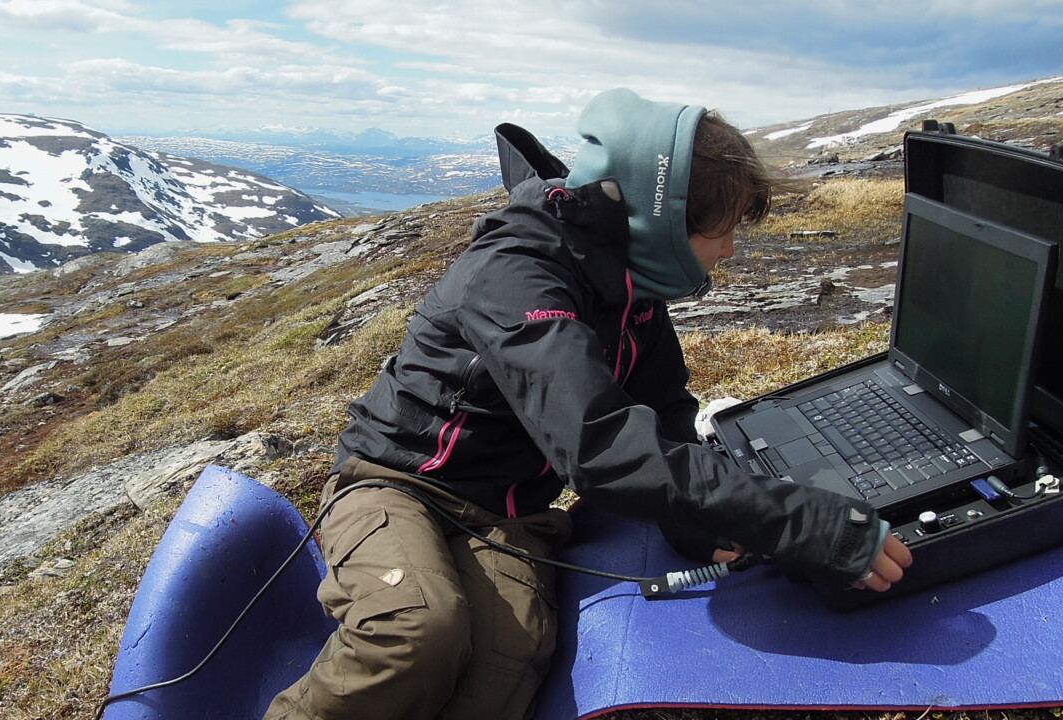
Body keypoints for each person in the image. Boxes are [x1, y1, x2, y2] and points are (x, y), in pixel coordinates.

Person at [263, 88, 912, 720]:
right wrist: (800, 523)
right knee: (417, 635)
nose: (730, 250)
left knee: (504, 670)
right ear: (664, 219)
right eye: (722, 231)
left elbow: (664, 414)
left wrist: (706, 524)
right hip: (397, 484)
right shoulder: (517, 268)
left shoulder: (633, 287)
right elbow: (597, 443)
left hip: (505, 513)